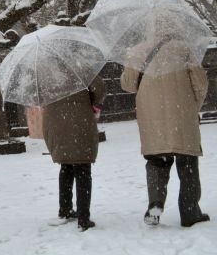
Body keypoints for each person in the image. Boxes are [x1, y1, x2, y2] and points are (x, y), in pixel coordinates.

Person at [121, 17, 210, 228]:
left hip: (151, 117)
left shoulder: (138, 50)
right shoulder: (184, 48)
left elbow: (127, 85)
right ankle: (189, 212)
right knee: (187, 162)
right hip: (182, 114)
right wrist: (192, 107)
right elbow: (200, 83)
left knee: (156, 162)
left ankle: (155, 204)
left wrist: (131, 62)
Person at [43, 77, 106, 232]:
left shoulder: (47, 71)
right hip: (80, 120)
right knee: (82, 167)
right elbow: (100, 88)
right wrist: (92, 101)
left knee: (66, 166)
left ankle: (65, 211)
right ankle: (83, 219)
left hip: (56, 120)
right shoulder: (81, 66)